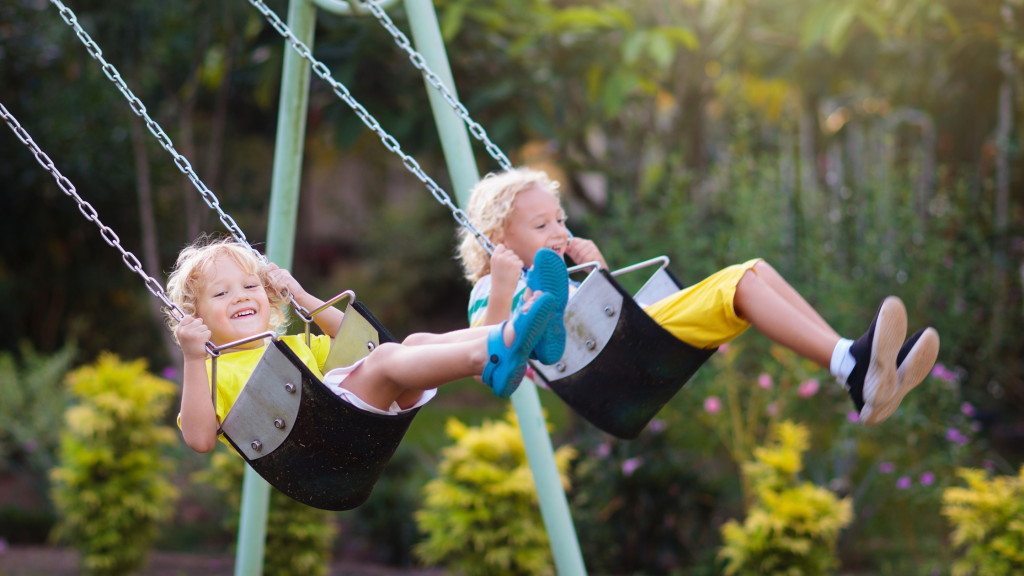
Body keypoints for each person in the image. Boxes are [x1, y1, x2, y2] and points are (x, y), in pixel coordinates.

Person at [458, 168, 941, 426]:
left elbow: (605, 315)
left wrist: (599, 270)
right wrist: (502, 285)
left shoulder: (569, 279)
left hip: (623, 343)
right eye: (542, 225)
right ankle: (853, 369)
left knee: (756, 271)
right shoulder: (490, 286)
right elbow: (485, 351)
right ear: (497, 238)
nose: (559, 231)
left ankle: (860, 372)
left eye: (560, 219)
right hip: (599, 365)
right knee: (739, 283)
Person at [167, 237, 562, 453]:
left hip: (356, 415)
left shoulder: (290, 345)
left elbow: (362, 344)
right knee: (390, 357)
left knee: (413, 343)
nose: (240, 297)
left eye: (251, 286)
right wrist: (192, 355)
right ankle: (494, 352)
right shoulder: (210, 372)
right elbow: (200, 440)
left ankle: (521, 334)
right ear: (196, 319)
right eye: (221, 294)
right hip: (323, 440)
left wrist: (304, 298)